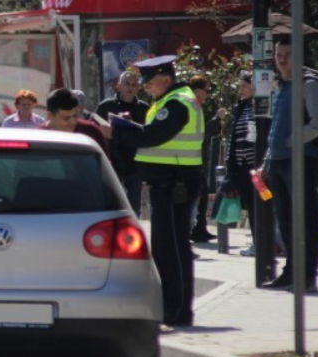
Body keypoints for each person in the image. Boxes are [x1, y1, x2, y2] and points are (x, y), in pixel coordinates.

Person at [100, 55, 204, 327]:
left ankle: (174, 310)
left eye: (149, 82)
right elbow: (152, 136)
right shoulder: (170, 100)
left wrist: (115, 132)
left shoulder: (176, 103)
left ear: (165, 79)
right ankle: (177, 310)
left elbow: (151, 137)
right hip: (171, 182)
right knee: (173, 246)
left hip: (174, 182)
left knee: (169, 248)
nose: (145, 87)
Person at [259, 38, 318, 292]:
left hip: (299, 160)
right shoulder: (281, 86)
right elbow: (275, 127)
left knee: (305, 219)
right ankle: (291, 272)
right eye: (279, 54)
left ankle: (308, 274)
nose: (282, 59)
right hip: (277, 163)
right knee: (285, 221)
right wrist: (267, 161)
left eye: (288, 54)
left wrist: (292, 140)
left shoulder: (308, 84)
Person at [95, 70, 151, 212]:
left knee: (134, 203)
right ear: (118, 86)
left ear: (138, 88)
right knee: (111, 201)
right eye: (127, 84)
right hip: (112, 159)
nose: (130, 87)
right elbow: (95, 129)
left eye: (134, 84)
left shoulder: (144, 108)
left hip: (135, 162)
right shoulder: (106, 106)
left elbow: (149, 134)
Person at [218, 71, 259, 256]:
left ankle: (265, 243)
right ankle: (258, 242)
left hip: (256, 168)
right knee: (251, 205)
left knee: (262, 203)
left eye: (244, 86)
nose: (240, 90)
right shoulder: (241, 108)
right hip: (242, 167)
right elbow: (234, 138)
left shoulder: (260, 106)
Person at [187, 75, 226, 243]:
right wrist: (217, 119)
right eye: (206, 90)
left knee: (201, 194)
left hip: (195, 159)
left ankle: (199, 228)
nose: (208, 94)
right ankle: (194, 229)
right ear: (197, 90)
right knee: (194, 196)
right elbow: (202, 134)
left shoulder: (195, 106)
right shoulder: (191, 106)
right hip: (190, 160)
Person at [40, 88, 111, 162]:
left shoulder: (90, 131)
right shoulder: (40, 138)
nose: (73, 122)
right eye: (66, 118)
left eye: (75, 116)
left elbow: (105, 165)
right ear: (50, 115)